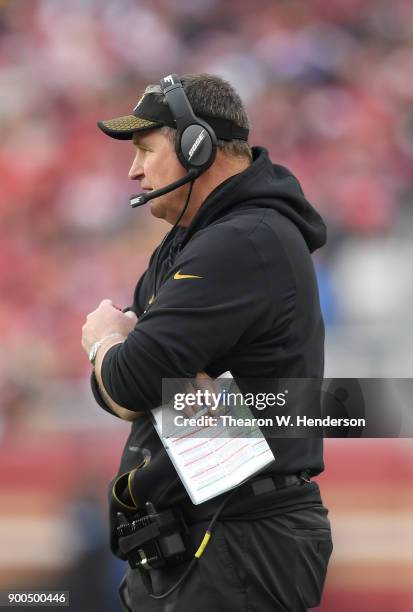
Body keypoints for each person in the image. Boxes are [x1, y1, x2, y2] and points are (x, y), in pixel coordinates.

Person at [81, 73, 333, 611]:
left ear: (198, 147)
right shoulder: (198, 241)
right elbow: (129, 399)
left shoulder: (242, 240)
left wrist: (103, 341)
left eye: (147, 149)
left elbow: (130, 376)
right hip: (209, 532)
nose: (134, 169)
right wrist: (162, 383)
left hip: (239, 535)